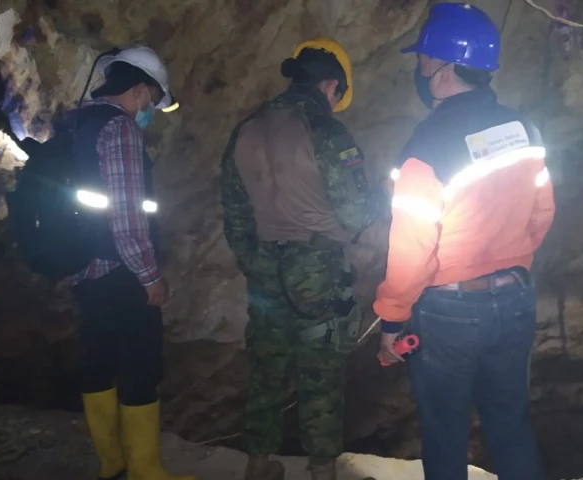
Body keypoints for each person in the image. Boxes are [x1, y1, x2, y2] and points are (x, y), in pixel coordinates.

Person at [372, 4, 555, 480]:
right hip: (515, 300)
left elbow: (412, 249)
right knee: (511, 427)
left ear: (445, 68)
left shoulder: (426, 148)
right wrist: (509, 261)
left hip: (450, 314)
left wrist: (392, 320)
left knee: (445, 433)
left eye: (424, 59)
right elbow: (542, 215)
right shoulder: (525, 131)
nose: (420, 68)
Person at [221, 37, 379, 480]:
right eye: (337, 93)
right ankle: (322, 471)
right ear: (329, 85)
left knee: (266, 370)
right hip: (319, 269)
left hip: (265, 270)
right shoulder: (327, 132)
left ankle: (257, 465)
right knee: (320, 376)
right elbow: (354, 212)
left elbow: (234, 212)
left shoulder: (247, 128)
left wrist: (253, 261)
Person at [63, 45, 193, 480]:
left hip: (83, 266)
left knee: (97, 361)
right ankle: (145, 471)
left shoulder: (76, 122)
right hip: (121, 272)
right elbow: (126, 212)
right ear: (139, 90)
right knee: (140, 366)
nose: (150, 112)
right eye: (152, 102)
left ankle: (112, 465)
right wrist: (149, 276)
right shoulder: (119, 129)